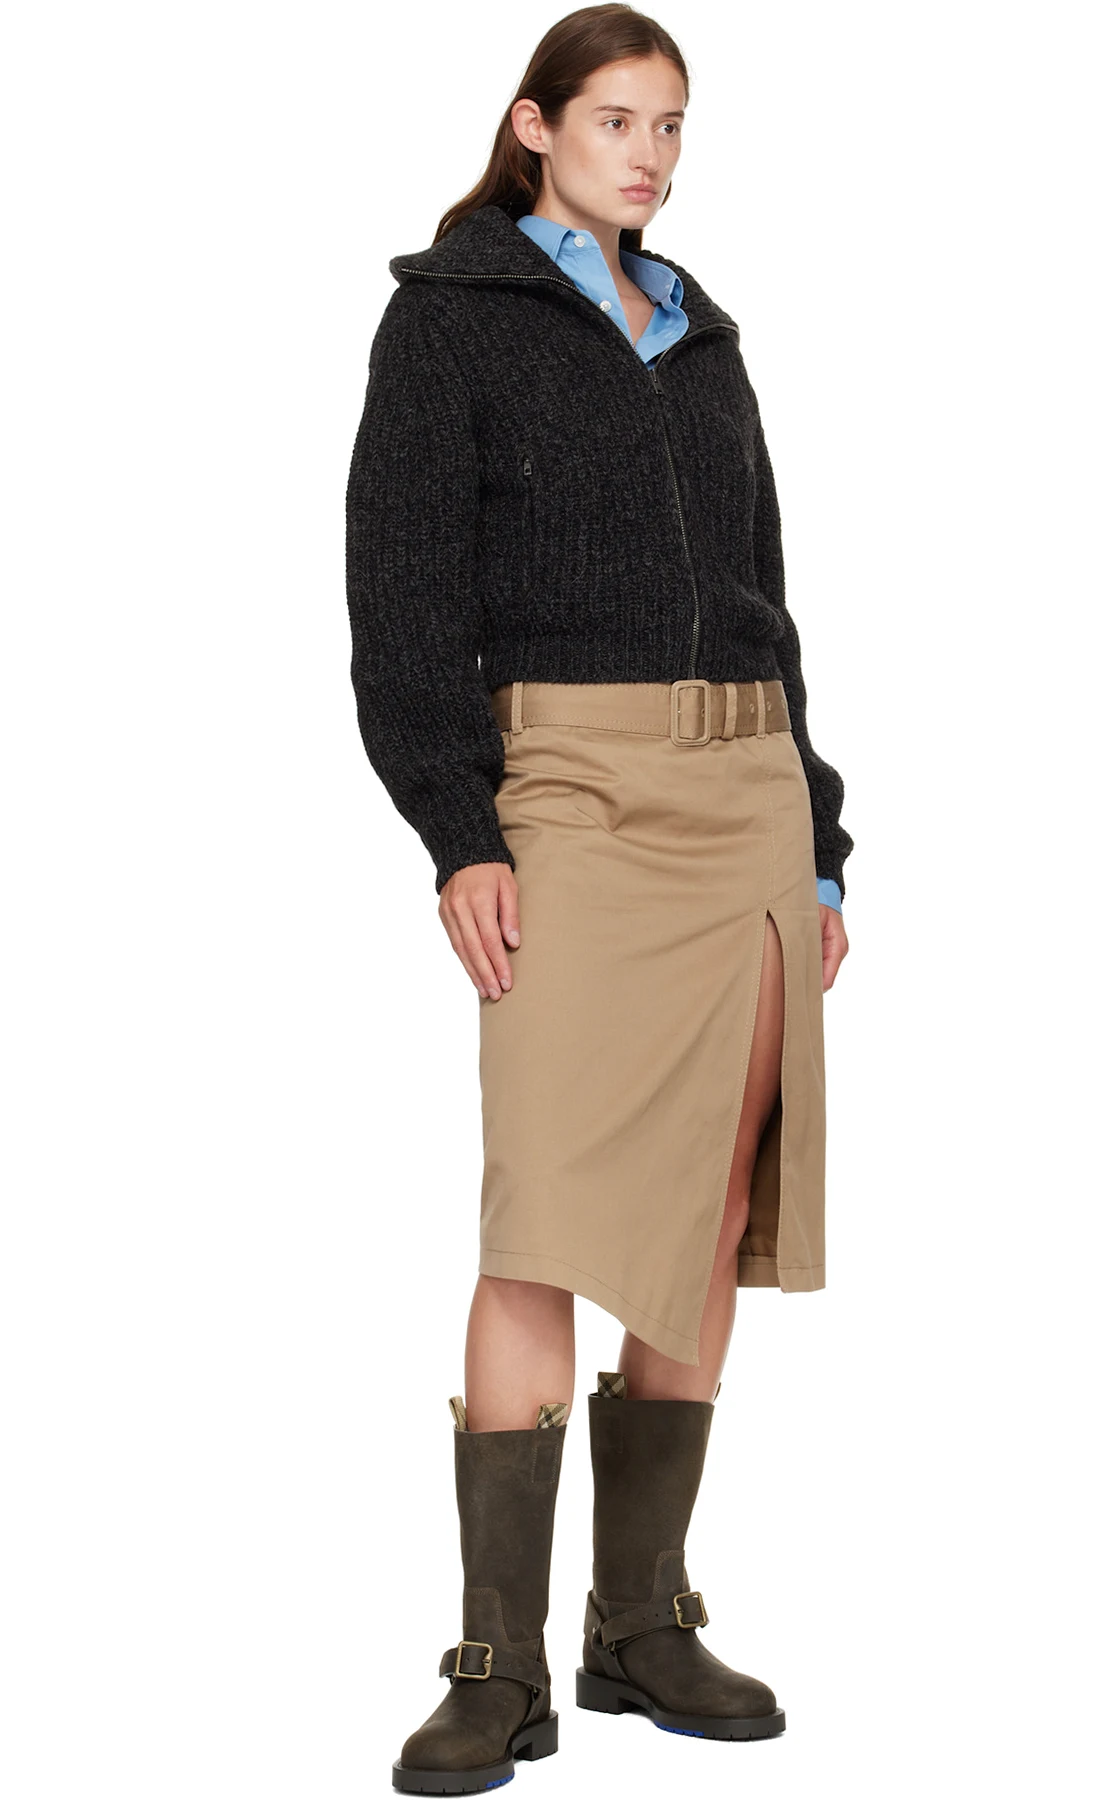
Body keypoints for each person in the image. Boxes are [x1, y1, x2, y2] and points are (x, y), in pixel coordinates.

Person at [344, 6, 853, 1791]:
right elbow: (403, 599)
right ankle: (496, 1663)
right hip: (565, 791)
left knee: (698, 1216)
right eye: (619, 119)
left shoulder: (701, 332)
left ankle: (638, 1622)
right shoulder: (450, 319)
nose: (650, 154)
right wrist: (460, 830)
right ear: (536, 125)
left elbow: (768, 597)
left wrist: (818, 837)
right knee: (544, 1216)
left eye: (672, 124)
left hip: (744, 795)